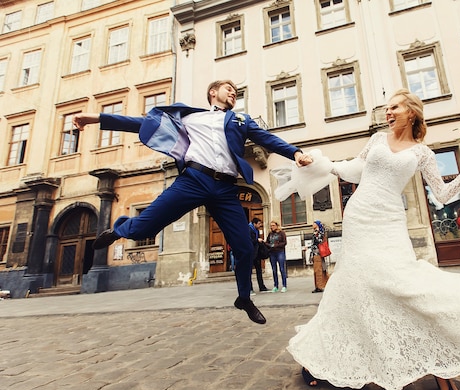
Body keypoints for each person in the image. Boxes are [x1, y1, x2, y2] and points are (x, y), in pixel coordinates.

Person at [286, 89, 460, 390]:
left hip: (390, 221)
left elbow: (441, 194)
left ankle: (441, 367)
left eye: (394, 107)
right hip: (361, 216)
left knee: (406, 286)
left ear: (411, 112)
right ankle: (321, 359)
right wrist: (318, 162)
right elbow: (353, 170)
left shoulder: (423, 152)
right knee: (354, 286)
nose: (388, 112)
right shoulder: (376, 139)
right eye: (387, 108)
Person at [72, 80, 312, 325]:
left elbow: (268, 139)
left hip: (226, 188)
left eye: (236, 92)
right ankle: (119, 229)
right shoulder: (189, 118)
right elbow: (140, 123)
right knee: (146, 228)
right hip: (194, 180)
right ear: (212, 92)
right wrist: (95, 119)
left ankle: (244, 298)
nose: (233, 92)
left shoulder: (241, 121)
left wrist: (296, 153)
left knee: (245, 248)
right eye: (228, 88)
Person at [266, 220, 288, 292]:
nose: (272, 227)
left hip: (280, 252)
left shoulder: (281, 233)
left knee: (282, 269)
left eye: (273, 225)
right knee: (274, 270)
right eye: (271, 226)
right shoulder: (270, 234)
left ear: (277, 225)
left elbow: (284, 242)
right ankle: (275, 285)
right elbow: (267, 242)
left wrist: (276, 245)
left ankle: (284, 285)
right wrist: (269, 245)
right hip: (272, 253)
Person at [249, 218, 269, 293]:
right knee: (249, 272)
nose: (260, 225)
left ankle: (262, 287)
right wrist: (257, 240)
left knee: (259, 271)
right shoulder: (248, 229)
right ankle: (250, 288)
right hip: (250, 253)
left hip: (256, 253)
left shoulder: (256, 230)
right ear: (254, 223)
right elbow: (248, 240)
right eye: (259, 224)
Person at [310, 220, 330, 292]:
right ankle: (322, 285)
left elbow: (319, 241)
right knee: (319, 269)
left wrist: (316, 234)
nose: (312, 225)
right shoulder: (315, 232)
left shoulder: (319, 232)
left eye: (314, 223)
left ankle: (319, 287)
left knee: (318, 270)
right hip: (315, 253)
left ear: (317, 225)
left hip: (318, 253)